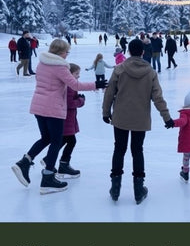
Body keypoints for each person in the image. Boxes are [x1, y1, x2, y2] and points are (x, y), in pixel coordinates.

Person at [11, 39, 96, 194]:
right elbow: (75, 85)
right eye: (67, 52)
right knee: (56, 142)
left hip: (38, 106)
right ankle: (48, 178)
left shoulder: (42, 63)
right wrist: (97, 85)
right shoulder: (60, 66)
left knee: (46, 138)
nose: (67, 55)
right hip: (53, 109)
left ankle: (25, 162)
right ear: (61, 52)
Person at [102, 38, 174, 204]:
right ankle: (138, 189)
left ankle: (115, 188)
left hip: (120, 117)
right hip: (140, 119)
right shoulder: (150, 72)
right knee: (137, 150)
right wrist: (167, 117)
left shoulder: (120, 69)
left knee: (119, 149)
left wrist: (106, 112)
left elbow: (109, 92)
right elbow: (158, 98)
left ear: (128, 52)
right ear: (143, 52)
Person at [53, 63, 86, 178]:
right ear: (69, 74)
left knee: (64, 140)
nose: (78, 76)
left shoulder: (68, 85)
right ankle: (63, 165)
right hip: (66, 118)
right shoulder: (70, 86)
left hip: (67, 117)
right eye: (76, 74)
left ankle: (50, 159)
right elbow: (70, 103)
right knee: (71, 141)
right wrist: (81, 100)